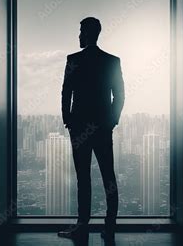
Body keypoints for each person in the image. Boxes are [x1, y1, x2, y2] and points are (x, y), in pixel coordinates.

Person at [57, 17, 125, 242]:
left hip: (79, 129)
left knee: (83, 178)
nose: (78, 36)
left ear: (87, 34)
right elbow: (120, 95)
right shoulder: (111, 61)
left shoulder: (73, 59)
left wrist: (68, 120)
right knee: (109, 177)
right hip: (102, 128)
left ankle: (82, 227)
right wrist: (111, 121)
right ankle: (110, 227)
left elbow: (66, 92)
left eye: (80, 32)